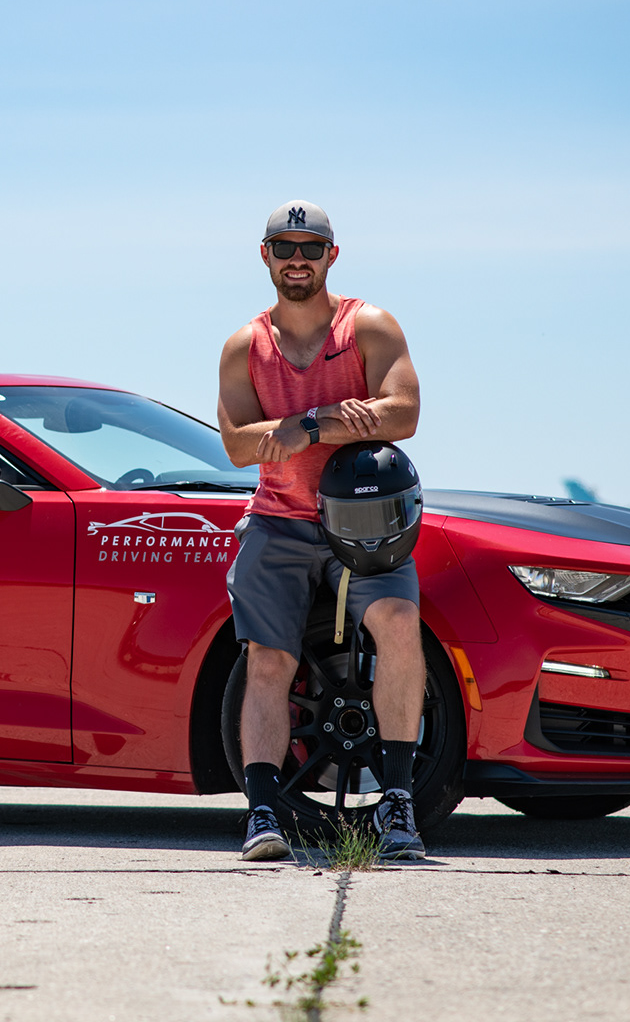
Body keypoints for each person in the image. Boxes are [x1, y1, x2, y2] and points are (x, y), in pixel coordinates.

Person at [216, 200, 426, 862]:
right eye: (285, 248)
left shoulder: (368, 325)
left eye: (311, 248)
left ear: (332, 255)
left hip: (366, 520)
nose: (297, 259)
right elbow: (239, 446)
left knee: (396, 622)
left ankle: (397, 803)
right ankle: (262, 812)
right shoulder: (246, 347)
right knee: (268, 659)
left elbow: (404, 412)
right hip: (277, 521)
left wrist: (308, 424)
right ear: (265, 255)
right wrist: (347, 418)